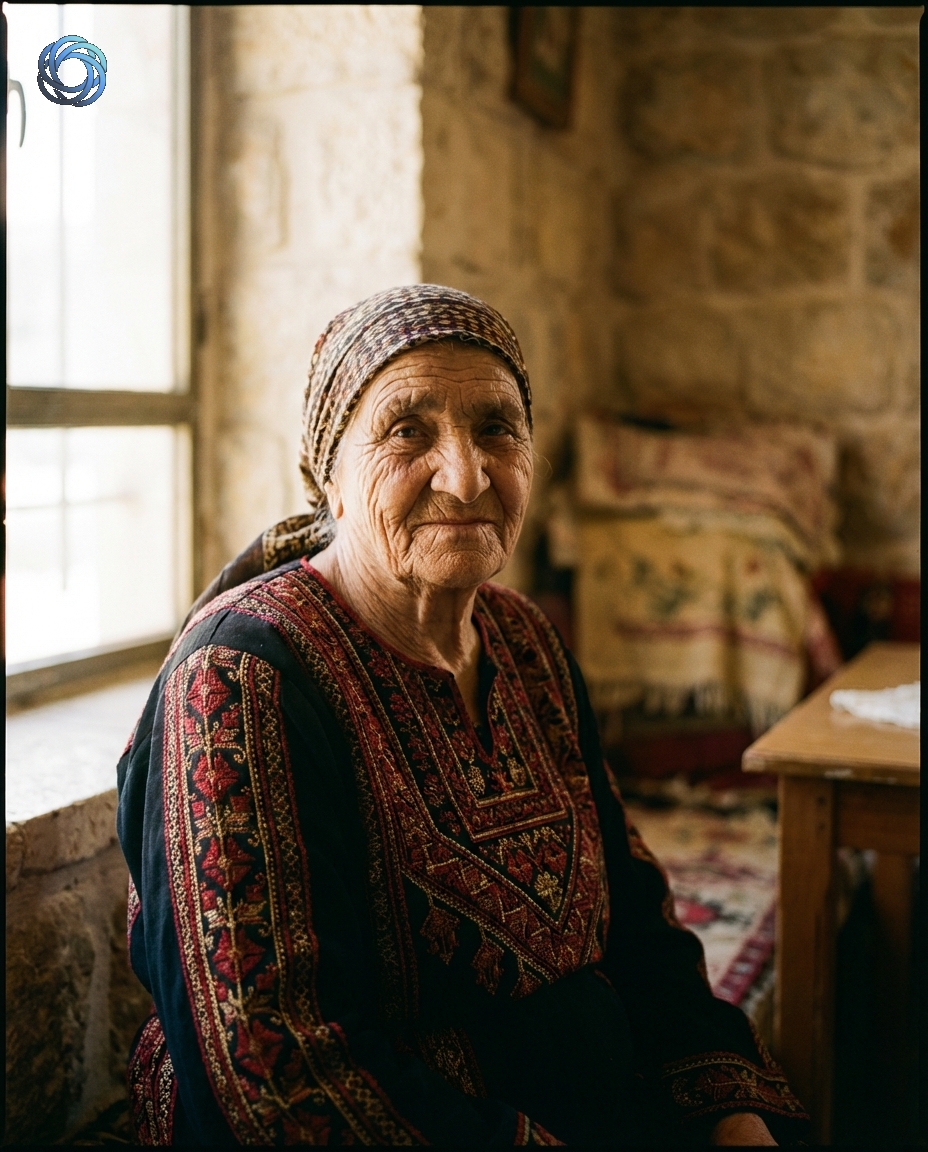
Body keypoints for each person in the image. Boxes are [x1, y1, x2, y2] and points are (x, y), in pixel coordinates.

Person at [117, 285, 808, 1146]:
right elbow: (273, 1074)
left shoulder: (526, 642)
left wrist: (728, 1109)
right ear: (331, 477)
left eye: (496, 428)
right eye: (409, 431)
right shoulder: (242, 681)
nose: (467, 474)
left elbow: (637, 925)